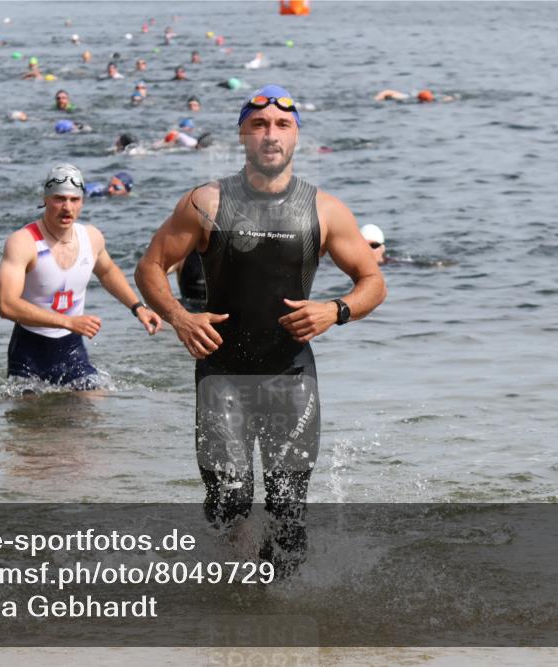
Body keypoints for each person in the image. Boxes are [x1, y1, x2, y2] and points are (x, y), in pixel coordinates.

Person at [134, 84, 386, 575]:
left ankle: (283, 617)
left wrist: (335, 311)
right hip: (221, 373)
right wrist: (180, 317)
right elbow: (150, 267)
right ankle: (240, 599)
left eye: (282, 125)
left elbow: (373, 281)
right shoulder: (206, 202)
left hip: (290, 375)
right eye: (259, 125)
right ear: (243, 135)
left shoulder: (324, 210)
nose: (270, 134)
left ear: (296, 137)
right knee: (227, 503)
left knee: (289, 512)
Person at [0, 164, 162, 388]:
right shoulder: (23, 242)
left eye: (74, 200)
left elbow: (107, 271)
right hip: (29, 353)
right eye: (59, 199)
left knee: (93, 412)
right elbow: (7, 305)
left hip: (72, 349)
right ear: (45, 199)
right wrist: (67, 321)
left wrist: (137, 307)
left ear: (82, 202)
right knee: (33, 420)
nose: (67, 207)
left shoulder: (91, 238)